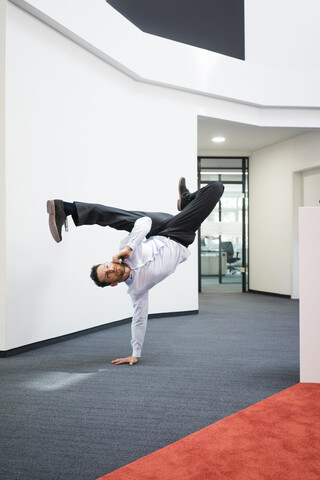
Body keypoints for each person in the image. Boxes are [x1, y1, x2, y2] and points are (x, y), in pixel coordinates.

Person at [47, 178, 224, 366]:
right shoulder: (138, 290)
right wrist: (135, 354)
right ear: (113, 283)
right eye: (108, 275)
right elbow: (139, 320)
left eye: (107, 266)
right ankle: (188, 200)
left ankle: (66, 208)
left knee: (123, 218)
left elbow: (144, 222)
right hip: (180, 233)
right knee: (216, 188)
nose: (111, 269)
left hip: (157, 228)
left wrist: (130, 247)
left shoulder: (124, 249)